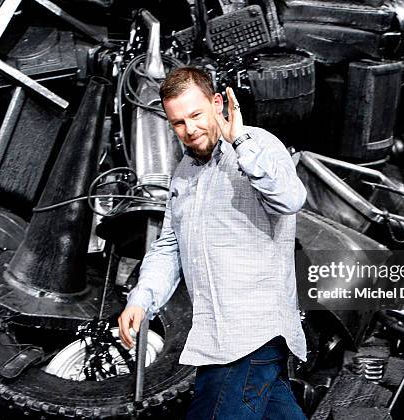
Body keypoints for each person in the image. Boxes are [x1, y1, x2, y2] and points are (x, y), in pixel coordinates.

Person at [118, 66, 308, 419]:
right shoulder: (184, 174)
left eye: (196, 115)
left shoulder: (257, 145)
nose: (189, 130)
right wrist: (142, 301)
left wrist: (240, 142)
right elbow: (169, 246)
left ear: (217, 102)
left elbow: (290, 200)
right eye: (178, 123)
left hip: (250, 335)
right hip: (218, 337)